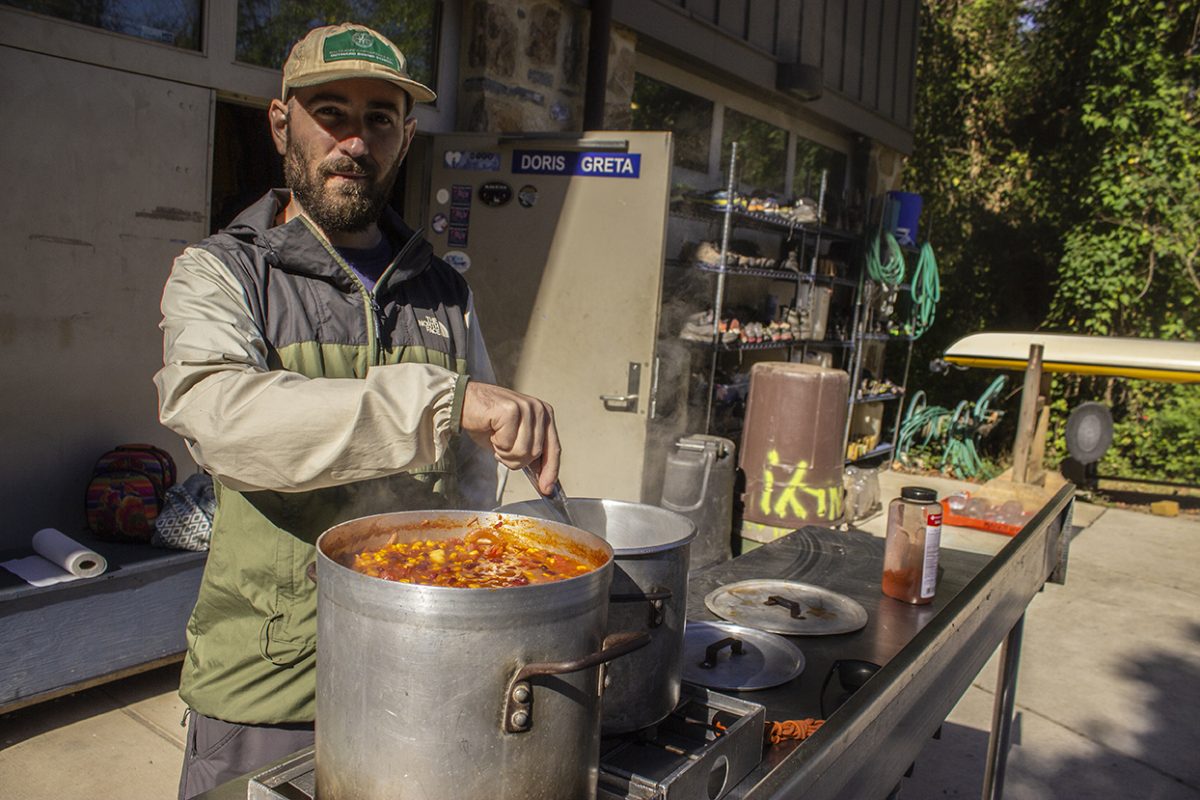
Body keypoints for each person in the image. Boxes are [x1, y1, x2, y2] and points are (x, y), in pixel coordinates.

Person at [154, 22, 561, 799]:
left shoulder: (446, 292)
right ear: (282, 125)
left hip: (427, 676)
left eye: (379, 119)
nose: (354, 140)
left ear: (405, 137)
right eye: (331, 112)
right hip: (270, 685)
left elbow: (474, 485)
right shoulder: (222, 273)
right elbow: (224, 421)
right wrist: (445, 404)